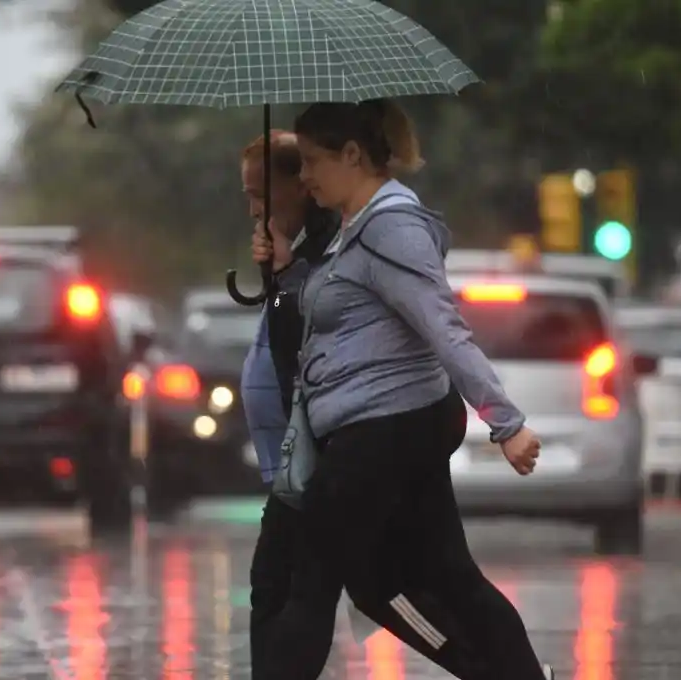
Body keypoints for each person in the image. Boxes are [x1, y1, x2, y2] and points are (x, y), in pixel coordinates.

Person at [253, 99, 554, 680]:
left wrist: (507, 423)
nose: (304, 176)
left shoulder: (391, 229)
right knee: (436, 578)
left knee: (310, 578)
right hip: (386, 426)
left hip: (383, 429)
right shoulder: (354, 229)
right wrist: (285, 270)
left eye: (312, 161)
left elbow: (444, 329)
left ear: (352, 155)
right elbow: (329, 324)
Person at [238, 130, 342, 679]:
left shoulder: (328, 249)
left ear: (299, 185)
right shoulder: (300, 250)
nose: (254, 209)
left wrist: (281, 278)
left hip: (314, 453)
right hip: (293, 459)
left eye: (261, 194)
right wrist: (277, 274)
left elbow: (299, 338)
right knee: (279, 586)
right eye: (247, 196)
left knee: (294, 586)